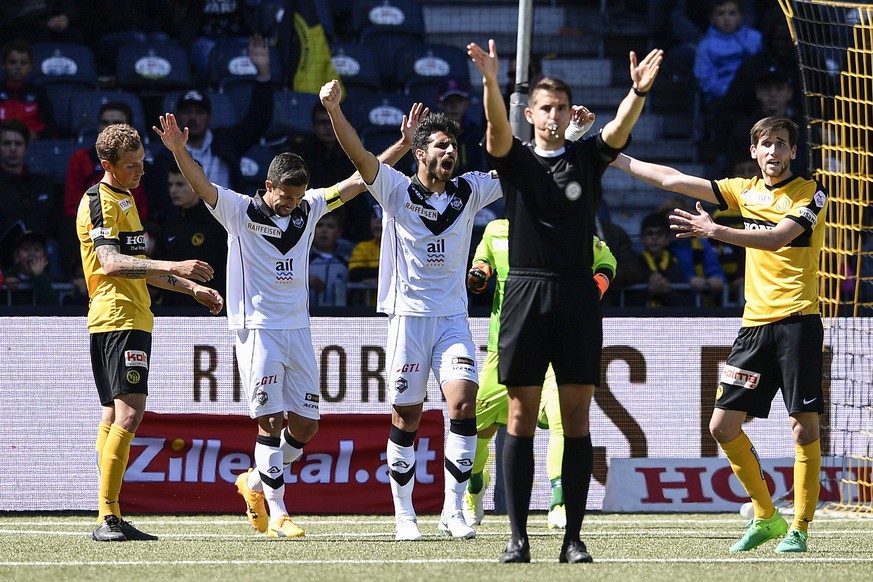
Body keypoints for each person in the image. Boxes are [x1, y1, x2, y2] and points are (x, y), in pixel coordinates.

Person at [154, 96, 426, 538]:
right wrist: (178, 151)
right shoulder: (239, 212)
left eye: (298, 197)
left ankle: (255, 481)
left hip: (298, 330)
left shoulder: (309, 207)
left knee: (307, 425)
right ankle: (278, 510)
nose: (292, 204)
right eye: (286, 197)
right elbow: (202, 185)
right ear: (268, 185)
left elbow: (359, 181)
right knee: (270, 419)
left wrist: (401, 144)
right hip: (257, 329)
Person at [466, 38, 663, 563]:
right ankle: (517, 537)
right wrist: (490, 81)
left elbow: (619, 130)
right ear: (530, 114)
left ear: (568, 111)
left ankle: (573, 538)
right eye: (544, 109)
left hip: (576, 293)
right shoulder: (514, 159)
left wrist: (636, 92)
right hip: (525, 292)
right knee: (519, 416)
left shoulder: (586, 157)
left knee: (576, 419)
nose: (552, 117)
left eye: (559, 108)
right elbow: (494, 130)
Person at [611, 115, 826, 553]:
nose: (773, 152)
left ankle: (801, 527)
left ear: (793, 152)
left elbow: (780, 239)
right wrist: (610, 157)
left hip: (798, 323)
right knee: (722, 426)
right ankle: (766, 515)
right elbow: (672, 178)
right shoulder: (742, 191)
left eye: (781, 145)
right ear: (754, 152)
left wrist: (716, 230)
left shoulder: (812, 193)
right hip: (754, 326)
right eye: (765, 145)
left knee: (803, 428)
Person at [320, 78, 504, 542]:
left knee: (463, 404)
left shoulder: (471, 191)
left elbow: (523, 170)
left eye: (453, 147)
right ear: (419, 153)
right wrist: (335, 110)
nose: (449, 153)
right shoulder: (397, 191)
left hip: (452, 320)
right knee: (407, 416)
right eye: (440, 145)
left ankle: (453, 509)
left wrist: (572, 139)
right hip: (407, 319)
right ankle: (404, 514)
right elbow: (360, 157)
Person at [77, 123, 224, 542]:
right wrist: (174, 266)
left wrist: (191, 287)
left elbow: (138, 266)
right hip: (117, 318)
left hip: (129, 317)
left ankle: (111, 514)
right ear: (108, 165)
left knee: (114, 414)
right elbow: (111, 264)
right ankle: (107, 516)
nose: (141, 172)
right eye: (131, 166)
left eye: (142, 163)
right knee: (129, 413)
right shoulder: (100, 201)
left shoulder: (124, 198)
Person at [462, 218, 616, 530]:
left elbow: (607, 260)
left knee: (561, 419)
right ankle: (475, 486)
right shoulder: (495, 230)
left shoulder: (571, 229)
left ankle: (558, 502)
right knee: (477, 429)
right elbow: (482, 262)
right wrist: (480, 274)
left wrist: (597, 285)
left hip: (555, 348)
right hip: (503, 347)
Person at [149, 36, 274, 225]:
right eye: (187, 112)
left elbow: (259, 119)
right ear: (177, 117)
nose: (193, 118)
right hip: (184, 226)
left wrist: (263, 74)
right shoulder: (166, 156)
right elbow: (161, 204)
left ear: (210, 118)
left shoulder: (226, 141)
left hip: (228, 223)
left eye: (199, 112)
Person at [288, 103, 373, 243]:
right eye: (322, 122)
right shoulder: (301, 154)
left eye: (331, 122)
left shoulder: (352, 153)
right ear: (313, 126)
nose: (328, 127)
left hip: (347, 222)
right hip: (311, 216)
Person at [156, 159, 228, 308]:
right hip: (172, 308)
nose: (173, 190)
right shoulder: (168, 224)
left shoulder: (218, 224)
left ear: (196, 184)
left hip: (211, 306)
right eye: (170, 184)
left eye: (180, 184)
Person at [0, 119, 62, 273]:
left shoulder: (44, 184)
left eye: (18, 143)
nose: (13, 149)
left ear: (26, 147)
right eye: (7, 143)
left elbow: (54, 224)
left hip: (42, 262)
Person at [657, 197, 727, 306]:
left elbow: (713, 267)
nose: (676, 224)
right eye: (671, 220)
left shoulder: (700, 243)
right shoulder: (661, 246)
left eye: (679, 219)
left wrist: (716, 278)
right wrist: (688, 280)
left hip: (699, 304)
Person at [693, 0, 762, 108]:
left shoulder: (754, 38)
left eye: (732, 13)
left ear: (741, 16)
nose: (726, 18)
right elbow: (705, 82)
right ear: (712, 18)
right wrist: (731, 92)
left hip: (753, 96)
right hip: (721, 99)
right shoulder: (705, 46)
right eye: (720, 14)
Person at [626, 213, 695, 307]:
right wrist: (649, 291)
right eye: (649, 233)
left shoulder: (676, 264)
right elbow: (627, 302)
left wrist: (666, 291)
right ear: (642, 238)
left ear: (668, 239)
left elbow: (686, 302)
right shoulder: (635, 264)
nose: (654, 238)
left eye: (660, 233)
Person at [0, 39, 57, 140]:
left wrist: (36, 135)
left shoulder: (38, 93)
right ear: (4, 65)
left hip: (33, 145)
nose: (17, 67)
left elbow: (49, 126)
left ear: (30, 67)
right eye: (12, 62)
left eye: (23, 63)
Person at [437, 77, 487, 177]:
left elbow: (483, 169)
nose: (453, 106)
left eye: (459, 100)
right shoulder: (431, 135)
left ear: (466, 104)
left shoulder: (477, 134)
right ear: (440, 104)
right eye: (449, 101)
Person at [308, 212, 354, 307]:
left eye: (330, 226)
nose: (324, 231)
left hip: (342, 316)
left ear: (338, 233)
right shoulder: (302, 259)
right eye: (319, 225)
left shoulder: (348, 260)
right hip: (307, 315)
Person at [2, 230, 58, 305]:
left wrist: (39, 276)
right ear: (17, 256)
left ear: (45, 256)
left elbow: (53, 304)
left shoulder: (53, 278)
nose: (32, 254)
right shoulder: (7, 277)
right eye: (26, 249)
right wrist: (4, 283)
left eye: (37, 250)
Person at [347, 205, 382, 306]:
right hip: (369, 308)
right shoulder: (363, 247)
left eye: (382, 217)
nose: (377, 222)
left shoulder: (402, 247)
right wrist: (386, 276)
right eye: (374, 217)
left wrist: (375, 277)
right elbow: (355, 273)